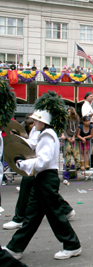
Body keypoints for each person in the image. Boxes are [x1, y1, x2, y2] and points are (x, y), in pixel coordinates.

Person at [3, 91, 82, 260]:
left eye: (36, 120)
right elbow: (34, 147)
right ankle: (15, 248)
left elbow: (43, 161)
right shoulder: (45, 133)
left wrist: (22, 164)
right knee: (31, 217)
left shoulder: (47, 134)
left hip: (46, 178)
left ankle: (72, 245)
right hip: (43, 179)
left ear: (42, 121)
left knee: (55, 215)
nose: (34, 122)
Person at [0, 80, 27, 267]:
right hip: (33, 172)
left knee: (38, 211)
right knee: (38, 211)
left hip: (41, 174)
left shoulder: (47, 135)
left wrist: (26, 162)